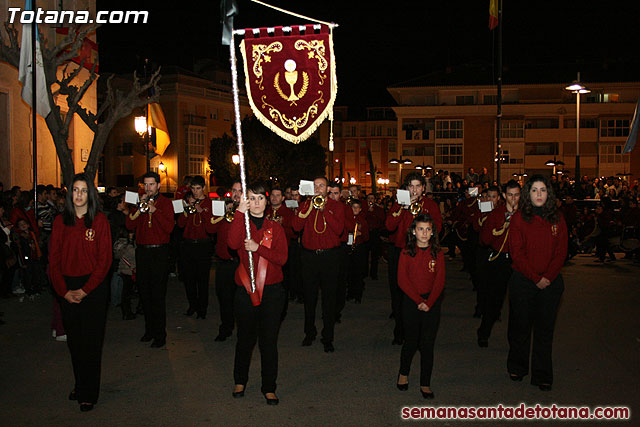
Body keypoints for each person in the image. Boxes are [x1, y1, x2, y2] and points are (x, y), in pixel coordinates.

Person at [48, 173, 112, 412]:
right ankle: (80, 383)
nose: (79, 195)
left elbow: (104, 261)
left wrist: (84, 290)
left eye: (84, 191)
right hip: (66, 287)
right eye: (75, 190)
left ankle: (89, 392)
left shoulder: (100, 221)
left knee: (91, 343)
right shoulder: (59, 222)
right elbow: (53, 260)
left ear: (90, 194)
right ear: (69, 193)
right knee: (75, 342)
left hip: (92, 289)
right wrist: (63, 292)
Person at [227, 183, 287, 405]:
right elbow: (232, 244)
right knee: (245, 339)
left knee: (268, 342)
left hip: (272, 292)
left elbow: (282, 259)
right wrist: (239, 213)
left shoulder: (276, 228)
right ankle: (240, 380)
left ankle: (269, 387)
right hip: (245, 290)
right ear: (246, 201)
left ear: (267, 201)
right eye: (251, 198)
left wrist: (257, 248)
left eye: (260, 198)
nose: (257, 202)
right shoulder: (241, 223)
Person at [507, 175, 567, 391]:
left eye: (543, 190)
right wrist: (535, 278)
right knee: (520, 328)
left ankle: (542, 374)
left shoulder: (557, 218)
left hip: (550, 284)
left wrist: (547, 278)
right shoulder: (519, 219)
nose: (539, 194)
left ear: (548, 193)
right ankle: (517, 367)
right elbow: (517, 253)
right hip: (524, 281)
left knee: (544, 331)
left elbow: (561, 252)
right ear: (528, 194)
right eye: (534, 190)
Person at [386, 172, 442, 345]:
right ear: (406, 188)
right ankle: (399, 331)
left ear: (423, 188)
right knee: (398, 293)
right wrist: (402, 209)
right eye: (411, 186)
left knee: (420, 290)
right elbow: (389, 226)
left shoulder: (430, 205)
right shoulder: (399, 204)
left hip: (422, 254)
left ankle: (419, 332)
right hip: (401, 252)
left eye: (418, 186)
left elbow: (438, 228)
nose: (415, 190)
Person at [292, 176, 345, 352]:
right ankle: (309, 332)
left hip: (330, 257)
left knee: (329, 299)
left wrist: (324, 211)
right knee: (309, 297)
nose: (318, 189)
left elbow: (339, 229)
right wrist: (307, 205)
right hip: (309, 257)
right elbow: (296, 226)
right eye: (315, 186)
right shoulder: (306, 205)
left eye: (321, 186)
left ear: (327, 189)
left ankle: (327, 337)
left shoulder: (336, 206)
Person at [396, 214, 445, 399]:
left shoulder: (437, 253)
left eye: (428, 229)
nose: (424, 233)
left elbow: (440, 280)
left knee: (427, 343)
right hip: (411, 301)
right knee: (411, 341)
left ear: (432, 232)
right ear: (414, 231)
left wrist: (429, 302)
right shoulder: (406, 252)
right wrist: (418, 301)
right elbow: (402, 280)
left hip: (431, 302)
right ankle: (403, 373)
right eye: (420, 229)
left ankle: (425, 382)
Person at [124, 172, 175, 348]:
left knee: (158, 295)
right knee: (144, 293)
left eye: (151, 185)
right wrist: (140, 208)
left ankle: (160, 334)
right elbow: (129, 224)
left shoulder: (166, 203)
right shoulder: (139, 202)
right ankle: (149, 330)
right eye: (145, 185)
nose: (148, 188)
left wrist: (156, 211)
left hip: (159, 252)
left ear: (158, 186)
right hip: (143, 252)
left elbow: (169, 228)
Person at [477, 180, 521, 347]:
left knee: (518, 303)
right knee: (494, 301)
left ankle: (514, 340)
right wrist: (501, 229)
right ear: (504, 195)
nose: (513, 199)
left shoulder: (524, 214)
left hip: (518, 262)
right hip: (499, 259)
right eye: (510, 195)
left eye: (516, 195)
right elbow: (484, 239)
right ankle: (484, 332)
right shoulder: (497, 213)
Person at [209, 180, 242, 341]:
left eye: (239, 190)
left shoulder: (248, 211)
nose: (236, 193)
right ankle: (226, 327)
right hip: (223, 262)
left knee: (241, 300)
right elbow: (210, 229)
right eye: (234, 190)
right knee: (224, 298)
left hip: (240, 262)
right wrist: (222, 214)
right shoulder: (222, 208)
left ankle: (243, 330)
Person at [178, 176, 213, 319]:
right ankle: (192, 305)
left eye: (198, 188)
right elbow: (180, 224)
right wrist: (187, 209)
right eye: (193, 188)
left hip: (203, 245)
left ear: (203, 188)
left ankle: (202, 308)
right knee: (189, 278)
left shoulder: (209, 203)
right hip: (188, 244)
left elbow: (211, 227)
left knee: (202, 279)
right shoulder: (187, 201)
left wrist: (201, 211)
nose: (195, 191)